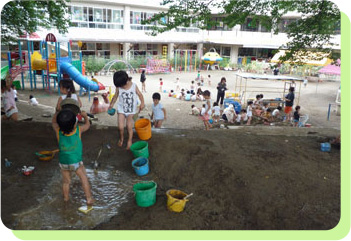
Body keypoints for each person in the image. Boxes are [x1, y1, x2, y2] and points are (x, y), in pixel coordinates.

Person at [51, 109, 94, 206]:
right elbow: (87, 125)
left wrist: (57, 112)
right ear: (75, 124)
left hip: (63, 162)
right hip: (76, 162)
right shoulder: (78, 130)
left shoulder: (58, 131)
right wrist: (85, 117)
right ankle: (89, 199)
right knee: (84, 178)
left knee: (66, 182)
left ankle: (66, 198)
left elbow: (53, 122)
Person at [109, 70, 145, 149]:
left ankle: (129, 140)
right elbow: (115, 96)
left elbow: (140, 95)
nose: (120, 87)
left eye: (121, 85)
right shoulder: (119, 87)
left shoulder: (134, 86)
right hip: (121, 110)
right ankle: (121, 138)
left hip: (131, 111)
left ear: (126, 81)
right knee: (120, 127)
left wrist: (142, 103)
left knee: (129, 126)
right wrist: (111, 104)